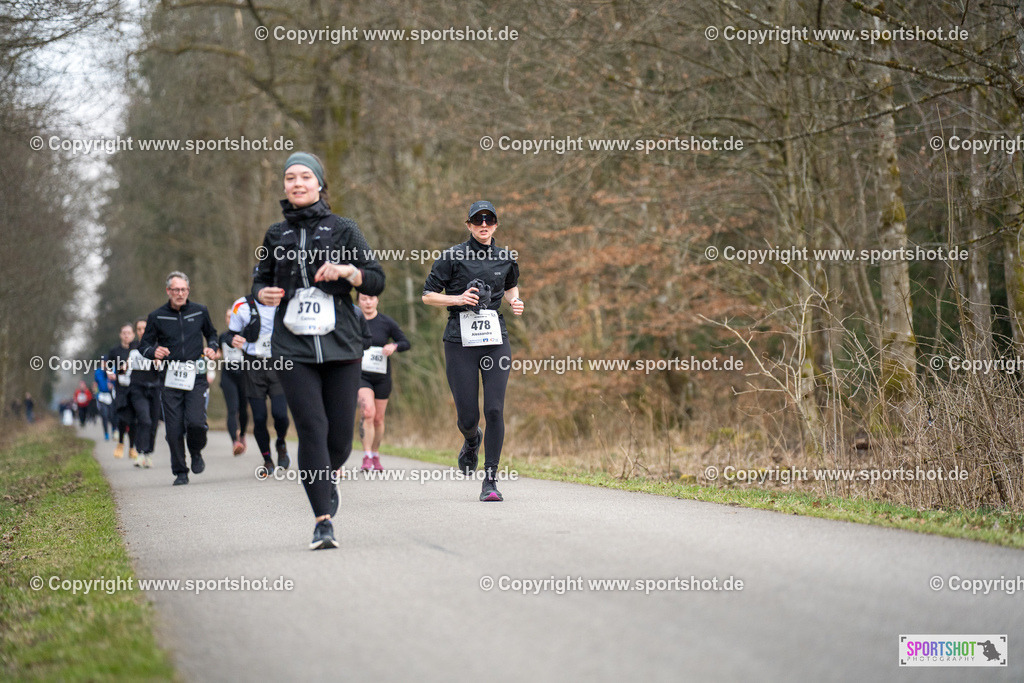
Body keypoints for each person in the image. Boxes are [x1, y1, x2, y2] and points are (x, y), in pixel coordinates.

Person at [253, 151, 385, 549]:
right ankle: (322, 521)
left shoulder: (344, 229)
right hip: (292, 347)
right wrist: (262, 293)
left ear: (319, 184)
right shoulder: (275, 235)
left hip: (341, 345)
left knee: (339, 439)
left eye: (305, 177)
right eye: (290, 177)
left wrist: (348, 272)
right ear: (284, 186)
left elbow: (376, 279)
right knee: (311, 428)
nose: (297, 183)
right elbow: (258, 280)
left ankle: (328, 476)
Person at [422, 200, 524, 502]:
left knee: (494, 409)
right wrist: (457, 299)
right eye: (477, 220)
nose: (484, 225)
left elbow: (510, 286)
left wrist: (515, 301)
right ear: (468, 225)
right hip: (459, 341)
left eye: (489, 220)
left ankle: (490, 480)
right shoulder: (452, 257)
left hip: (495, 340)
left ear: (496, 224)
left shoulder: (506, 258)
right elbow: (428, 295)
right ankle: (471, 439)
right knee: (468, 417)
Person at [139, 272, 219, 486]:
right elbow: (144, 345)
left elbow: (212, 334)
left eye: (184, 290)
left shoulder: (200, 311)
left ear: (188, 290)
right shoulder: (157, 316)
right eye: (176, 290)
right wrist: (153, 352)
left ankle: (196, 451)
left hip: (196, 376)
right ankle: (180, 471)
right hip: (170, 379)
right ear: (168, 291)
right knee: (173, 429)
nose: (180, 294)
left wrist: (212, 348)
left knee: (196, 422)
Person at [228, 291, 291, 474]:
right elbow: (229, 335)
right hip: (253, 365)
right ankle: (267, 459)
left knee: (280, 414)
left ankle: (281, 442)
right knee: (259, 417)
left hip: (278, 363)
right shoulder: (241, 305)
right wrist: (233, 340)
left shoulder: (285, 301)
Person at [356, 293, 410, 471]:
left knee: (378, 419)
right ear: (358, 301)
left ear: (377, 300)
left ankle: (375, 453)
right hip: (360, 375)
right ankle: (366, 456)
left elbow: (405, 342)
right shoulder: (354, 320)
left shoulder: (386, 322)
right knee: (368, 412)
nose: (368, 302)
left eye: (371, 298)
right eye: (364, 299)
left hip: (382, 377)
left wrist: (394, 346)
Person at [128, 318, 161, 467]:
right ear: (136, 331)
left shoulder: (157, 346)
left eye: (145, 328)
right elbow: (124, 365)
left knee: (153, 422)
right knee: (144, 419)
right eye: (139, 329)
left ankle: (147, 453)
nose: (142, 331)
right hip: (138, 388)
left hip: (154, 388)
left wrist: (159, 363)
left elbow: (163, 367)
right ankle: (140, 452)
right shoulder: (133, 346)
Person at [217, 308, 250, 457]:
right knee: (232, 409)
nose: (230, 319)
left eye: (233, 316)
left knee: (243, 409)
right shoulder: (223, 336)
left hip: (244, 375)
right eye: (228, 316)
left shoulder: (246, 335)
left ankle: (242, 435)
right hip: (228, 375)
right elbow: (218, 352)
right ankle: (235, 442)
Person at [107, 323, 137, 460]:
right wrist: (110, 373)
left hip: (135, 387)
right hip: (121, 388)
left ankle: (132, 447)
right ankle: (120, 443)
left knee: (134, 419)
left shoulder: (137, 349)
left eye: (128, 333)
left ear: (133, 335)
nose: (126, 335)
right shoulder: (115, 351)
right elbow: (108, 366)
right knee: (123, 417)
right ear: (120, 335)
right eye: (124, 333)